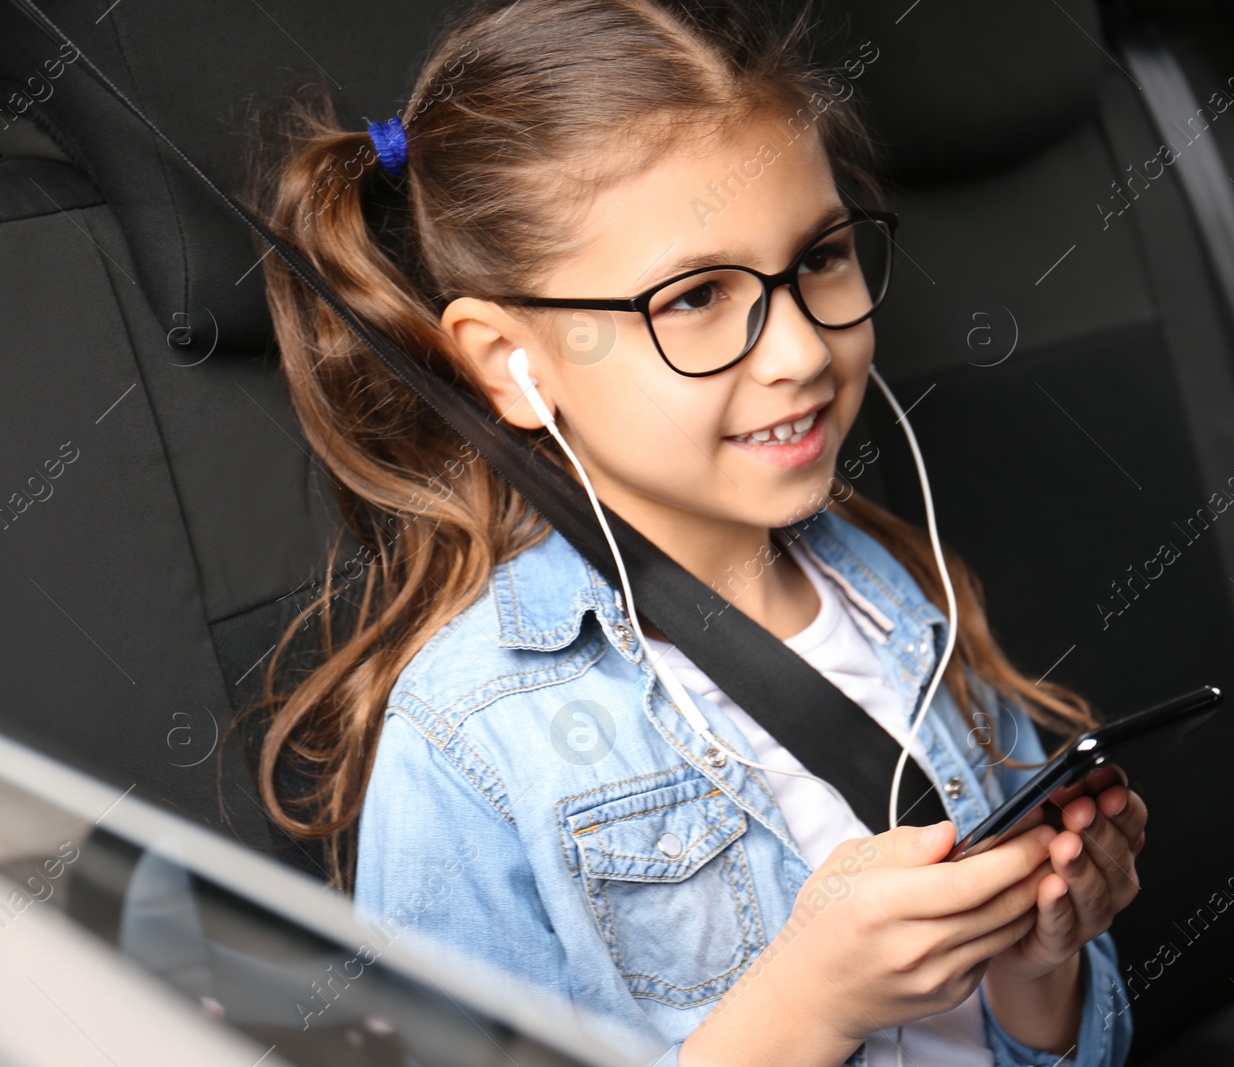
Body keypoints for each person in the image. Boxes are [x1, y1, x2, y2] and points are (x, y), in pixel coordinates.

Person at [245, 1, 1146, 1063]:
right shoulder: (472, 737)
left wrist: (1037, 965)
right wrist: (808, 1007)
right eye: (696, 296)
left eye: (819, 259)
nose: (801, 351)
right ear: (508, 363)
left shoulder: (898, 594)